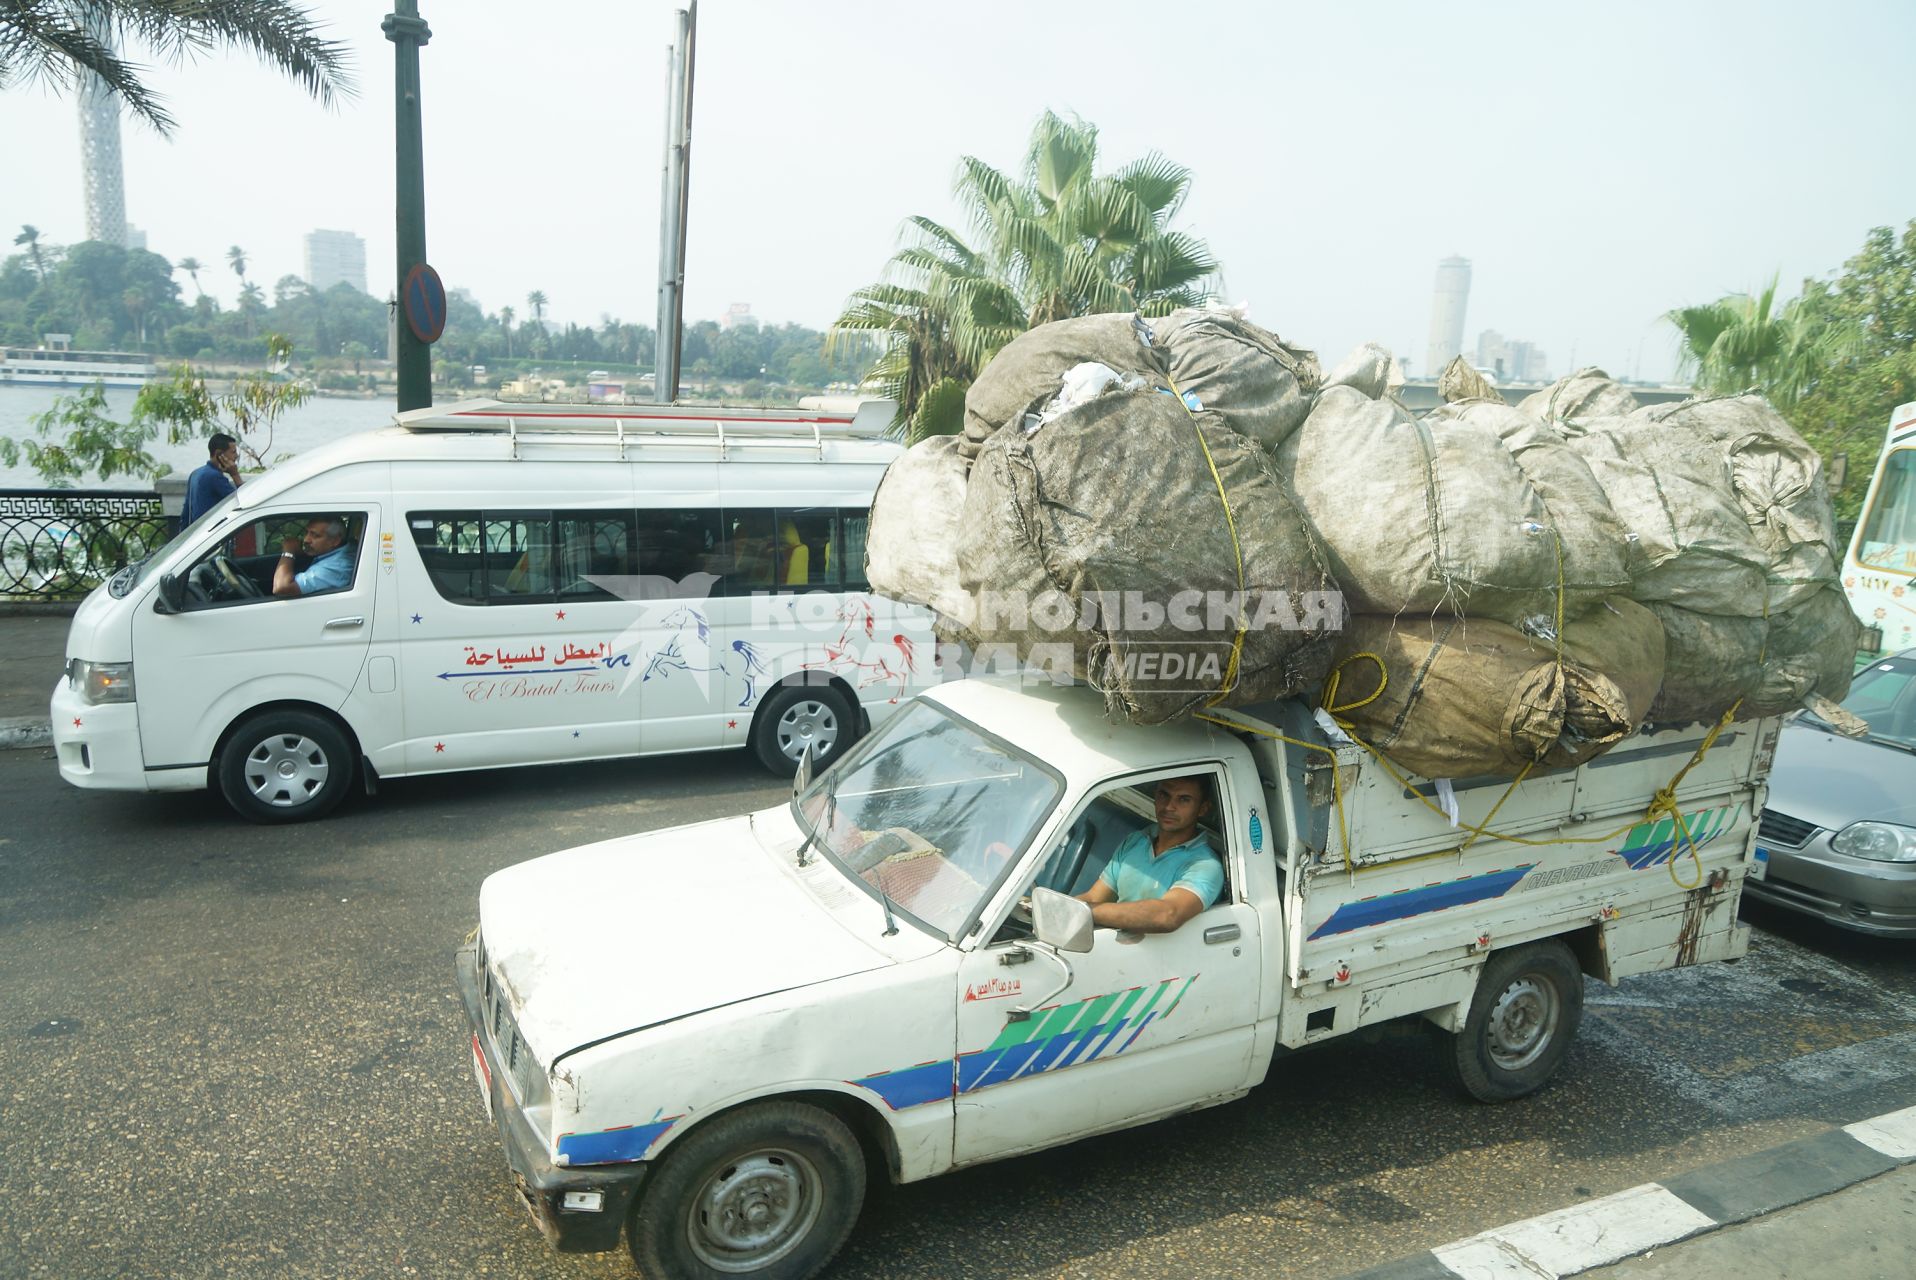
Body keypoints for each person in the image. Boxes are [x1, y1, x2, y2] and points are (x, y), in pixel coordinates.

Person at [1073, 775, 1225, 934]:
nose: (1169, 807)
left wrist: (1085, 912)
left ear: (1203, 808)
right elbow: (1094, 897)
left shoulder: (1205, 865)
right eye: (1164, 795)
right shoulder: (1136, 841)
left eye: (1184, 800)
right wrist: (1062, 910)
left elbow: (1167, 915)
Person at [273, 516, 355, 598]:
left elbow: (281, 587)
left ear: (335, 541)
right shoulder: (346, 549)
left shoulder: (336, 566)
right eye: (307, 533)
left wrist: (288, 551)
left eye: (315, 535)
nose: (306, 539)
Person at [182, 433, 242, 525]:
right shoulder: (215, 477)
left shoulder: (195, 473)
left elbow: (186, 512)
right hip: (211, 531)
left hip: (196, 532)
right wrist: (235, 475)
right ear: (219, 454)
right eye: (233, 452)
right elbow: (241, 502)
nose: (236, 456)